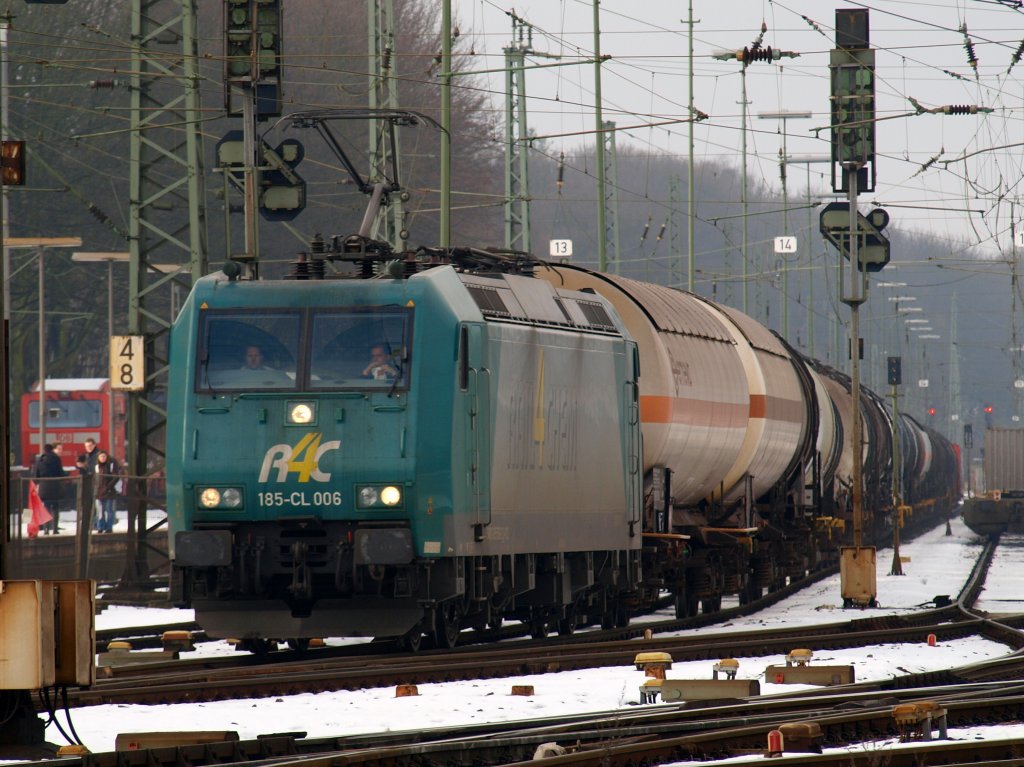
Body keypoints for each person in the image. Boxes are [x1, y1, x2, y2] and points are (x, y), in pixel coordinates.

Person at [31, 443, 66, 534]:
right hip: (55, 486)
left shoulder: (40, 460)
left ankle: (46, 529)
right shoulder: (56, 458)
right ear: (52, 449)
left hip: (44, 486)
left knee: (46, 507)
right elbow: (60, 473)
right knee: (55, 507)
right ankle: (55, 529)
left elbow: (36, 475)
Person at [94, 450, 121, 534]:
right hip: (99, 492)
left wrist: (108, 487)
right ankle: (100, 527)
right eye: (101, 457)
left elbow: (116, 477)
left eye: (104, 456)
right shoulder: (97, 467)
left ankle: (109, 528)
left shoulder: (111, 465)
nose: (103, 458)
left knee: (109, 510)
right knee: (100, 511)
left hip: (109, 491)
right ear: (98, 458)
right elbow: (95, 480)